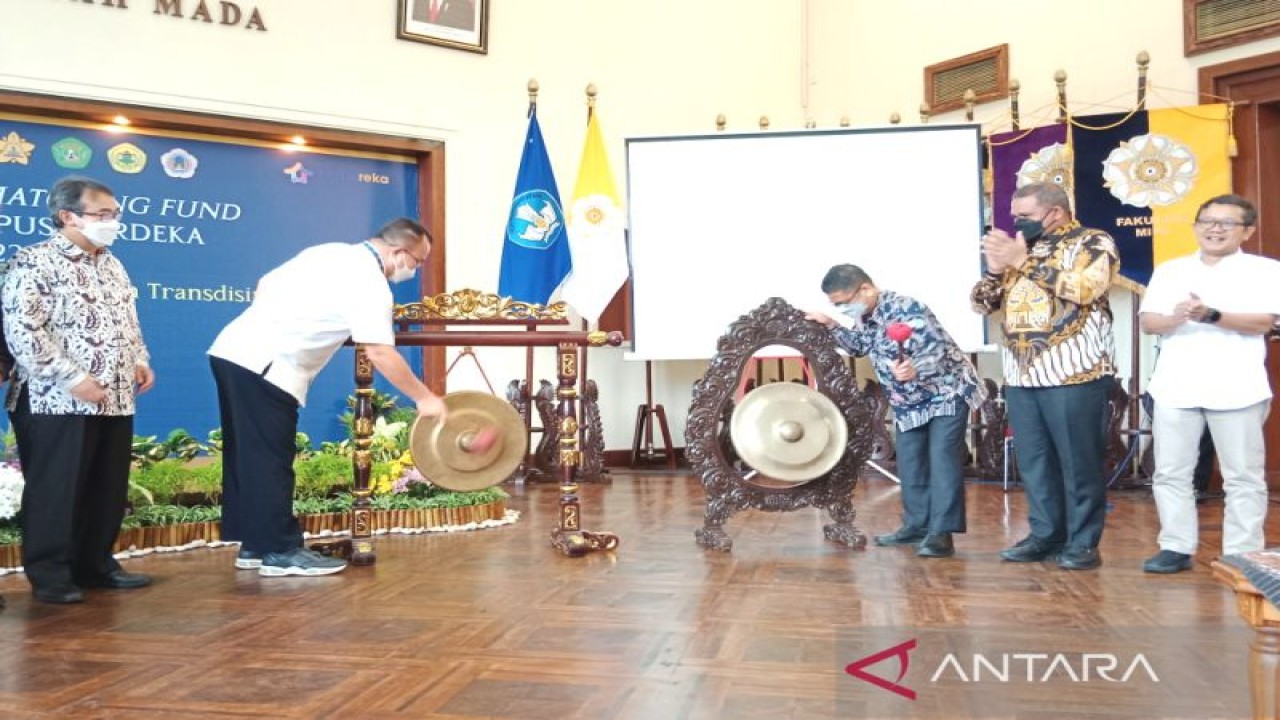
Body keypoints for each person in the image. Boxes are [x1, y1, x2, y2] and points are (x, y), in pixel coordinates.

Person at [208, 218, 447, 578]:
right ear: (398, 252)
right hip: (268, 365)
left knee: (247, 455)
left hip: (233, 351)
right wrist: (424, 397)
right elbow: (380, 352)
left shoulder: (330, 251)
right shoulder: (371, 283)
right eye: (417, 262)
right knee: (270, 459)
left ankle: (255, 545)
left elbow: (263, 285)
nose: (413, 270)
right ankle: (280, 551)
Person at [2, 176, 155, 604]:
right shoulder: (32, 262)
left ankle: (96, 564)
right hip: (55, 398)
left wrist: (140, 360)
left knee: (105, 487)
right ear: (67, 216)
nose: (112, 223)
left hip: (115, 395)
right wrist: (73, 378)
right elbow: (24, 333)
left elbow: (128, 319)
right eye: (101, 215)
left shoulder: (112, 263)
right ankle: (50, 575)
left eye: (115, 215)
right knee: (57, 488)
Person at [971, 181, 1119, 571]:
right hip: (1021, 375)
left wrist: (1021, 261)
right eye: (1016, 215)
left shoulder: (1093, 242)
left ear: (1055, 212)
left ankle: (1083, 543)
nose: (1018, 222)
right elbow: (981, 304)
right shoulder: (1022, 249)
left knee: (1079, 463)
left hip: (1074, 373)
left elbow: (1086, 289)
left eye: (1026, 216)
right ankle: (1044, 535)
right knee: (1034, 463)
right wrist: (994, 270)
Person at [1138, 194, 1280, 573]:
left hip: (1238, 387)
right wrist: (1176, 317)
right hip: (1176, 385)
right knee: (1170, 472)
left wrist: (1211, 315)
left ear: (1247, 231)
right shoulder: (1171, 270)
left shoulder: (1266, 271)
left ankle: (1243, 553)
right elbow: (1149, 322)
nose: (1215, 229)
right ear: (1196, 226)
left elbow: (1267, 323)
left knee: (1243, 476)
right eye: (1207, 221)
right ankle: (1175, 545)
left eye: (1226, 223)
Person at [808, 264, 985, 558]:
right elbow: (859, 347)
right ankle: (916, 525)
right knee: (911, 461)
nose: (843, 309)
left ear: (865, 289)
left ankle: (941, 534)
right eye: (836, 305)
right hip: (908, 401)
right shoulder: (866, 316)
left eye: (843, 303)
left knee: (942, 461)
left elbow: (937, 352)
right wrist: (830, 325)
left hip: (946, 392)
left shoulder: (908, 308)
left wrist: (915, 367)